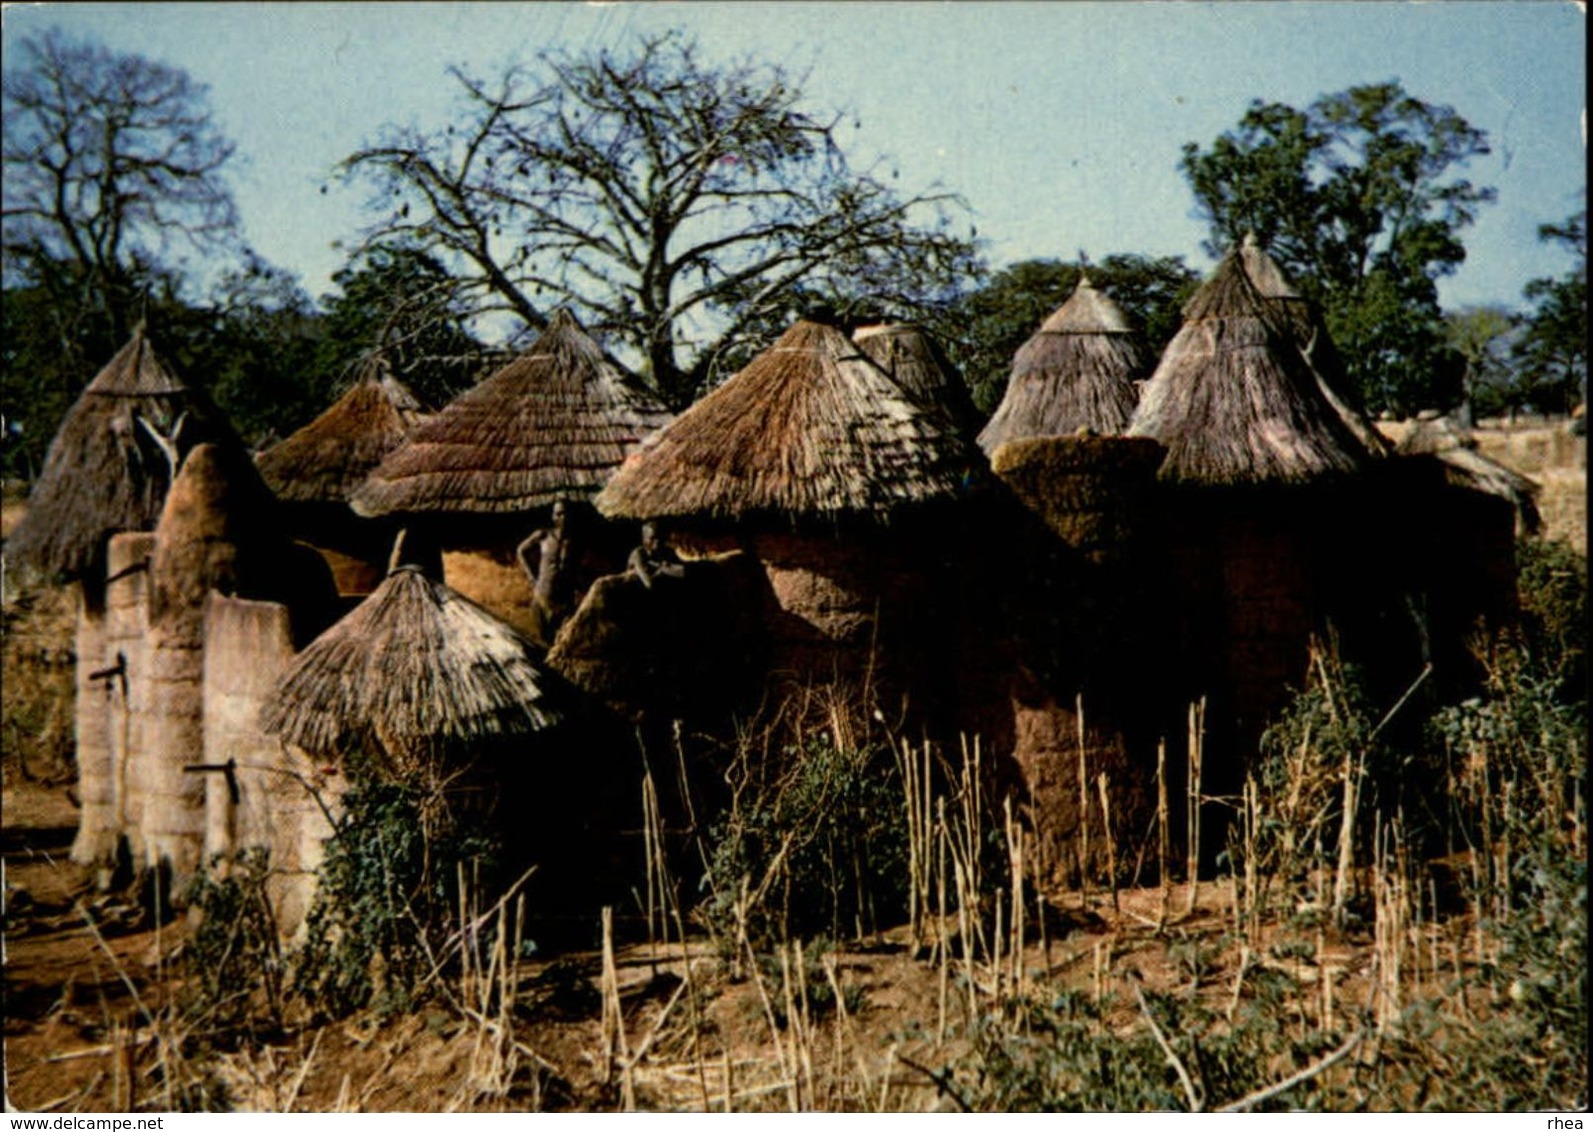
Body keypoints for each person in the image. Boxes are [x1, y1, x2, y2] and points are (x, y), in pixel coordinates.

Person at [517, 500, 599, 643]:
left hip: (564, 602)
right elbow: (521, 551)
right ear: (553, 516)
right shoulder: (543, 536)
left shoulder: (576, 542)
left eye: (565, 514)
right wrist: (531, 577)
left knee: (560, 643)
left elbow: (578, 569)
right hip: (543, 597)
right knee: (542, 640)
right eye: (559, 514)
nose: (563, 518)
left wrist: (582, 592)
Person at [627, 520, 685, 589]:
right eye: (652, 538)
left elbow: (681, 571)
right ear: (644, 539)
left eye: (658, 537)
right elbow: (649, 583)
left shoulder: (658, 550)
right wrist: (660, 569)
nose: (657, 541)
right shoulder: (638, 554)